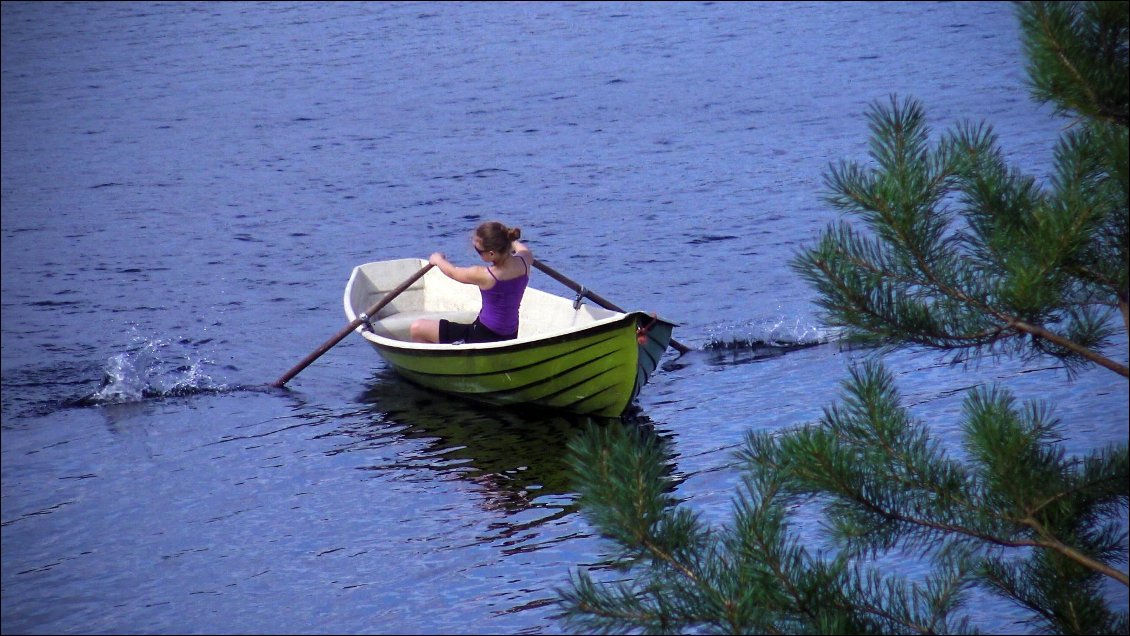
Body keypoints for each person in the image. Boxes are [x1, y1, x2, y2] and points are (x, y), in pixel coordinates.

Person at [409, 221, 533, 344]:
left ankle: (439, 362)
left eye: (478, 250)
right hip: (510, 335)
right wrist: (508, 240)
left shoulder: (485, 275)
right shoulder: (525, 260)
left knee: (417, 328)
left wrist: (437, 260)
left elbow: (453, 272)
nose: (476, 252)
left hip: (483, 336)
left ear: (491, 253)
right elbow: (520, 247)